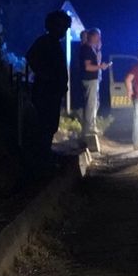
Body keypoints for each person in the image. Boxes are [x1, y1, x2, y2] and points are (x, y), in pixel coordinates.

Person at [24, 10, 72, 169]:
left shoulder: (54, 43)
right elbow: (31, 57)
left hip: (53, 92)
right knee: (44, 125)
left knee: (50, 125)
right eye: (62, 27)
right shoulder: (45, 42)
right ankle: (40, 160)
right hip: (45, 92)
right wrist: (45, 75)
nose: (64, 31)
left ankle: (44, 157)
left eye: (65, 27)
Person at [74, 28, 108, 150]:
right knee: (90, 103)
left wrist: (98, 50)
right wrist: (100, 66)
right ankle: (88, 128)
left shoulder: (91, 48)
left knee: (94, 103)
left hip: (93, 79)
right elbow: (88, 67)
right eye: (98, 36)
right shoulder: (87, 49)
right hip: (89, 79)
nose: (99, 39)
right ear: (93, 37)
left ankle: (91, 125)